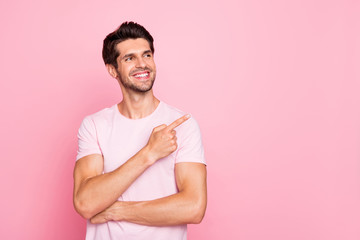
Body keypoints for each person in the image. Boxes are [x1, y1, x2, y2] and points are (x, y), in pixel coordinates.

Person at [73, 21, 207, 240]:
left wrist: (118, 211)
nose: (142, 64)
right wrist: (149, 153)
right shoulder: (95, 125)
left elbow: (194, 207)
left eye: (146, 55)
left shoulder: (182, 124)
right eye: (129, 58)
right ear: (112, 70)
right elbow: (85, 203)